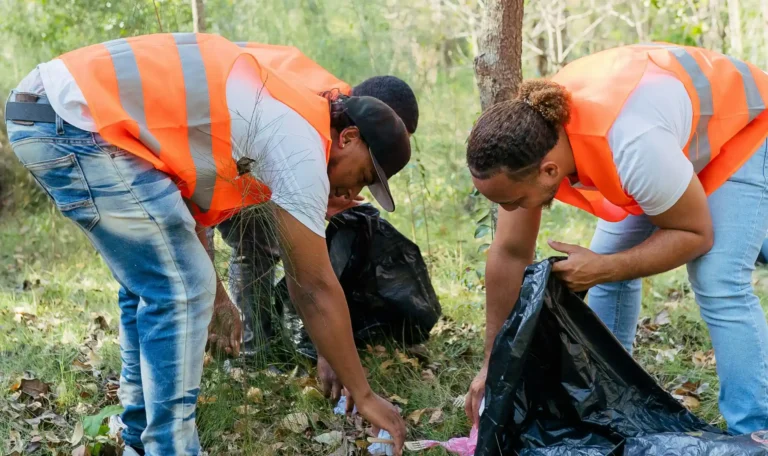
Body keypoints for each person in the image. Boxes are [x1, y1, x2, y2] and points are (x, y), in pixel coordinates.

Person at [5, 33, 409, 456]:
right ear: (348, 137)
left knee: (158, 280)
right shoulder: (301, 145)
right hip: (74, 121)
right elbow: (313, 286)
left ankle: (138, 440)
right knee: (180, 288)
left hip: (54, 108)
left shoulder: (284, 104)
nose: (352, 192)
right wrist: (364, 394)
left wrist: (218, 296)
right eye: (364, 176)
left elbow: (185, 210)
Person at [463, 43, 768, 435]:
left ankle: (756, 431)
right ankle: (608, 407)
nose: (511, 210)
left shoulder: (633, 146)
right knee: (607, 265)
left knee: (718, 278)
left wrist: (605, 268)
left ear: (549, 171)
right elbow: (509, 251)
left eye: (513, 201)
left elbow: (695, 234)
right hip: (667, 143)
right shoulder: (529, 145)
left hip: (747, 127)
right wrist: (492, 365)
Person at [208, 43, 420, 402]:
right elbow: (311, 277)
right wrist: (329, 350)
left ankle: (253, 348)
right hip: (218, 135)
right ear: (354, 134)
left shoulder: (345, 116)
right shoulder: (315, 122)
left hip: (240, 140)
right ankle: (243, 354)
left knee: (263, 245)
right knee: (249, 246)